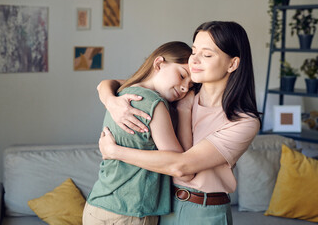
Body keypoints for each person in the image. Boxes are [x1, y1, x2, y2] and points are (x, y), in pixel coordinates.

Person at [97, 21, 261, 225]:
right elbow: (118, 83)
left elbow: (183, 167)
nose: (195, 60)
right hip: (163, 208)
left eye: (207, 55)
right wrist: (111, 101)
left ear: (232, 64)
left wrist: (115, 152)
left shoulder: (243, 121)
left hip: (204, 212)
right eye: (194, 51)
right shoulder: (178, 90)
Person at [82, 41, 195, 225]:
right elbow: (181, 169)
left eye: (190, 86)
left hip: (97, 208)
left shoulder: (124, 93)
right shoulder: (154, 104)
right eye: (182, 75)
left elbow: (105, 83)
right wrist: (185, 110)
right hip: (129, 213)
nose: (184, 88)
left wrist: (108, 97)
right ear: (159, 63)